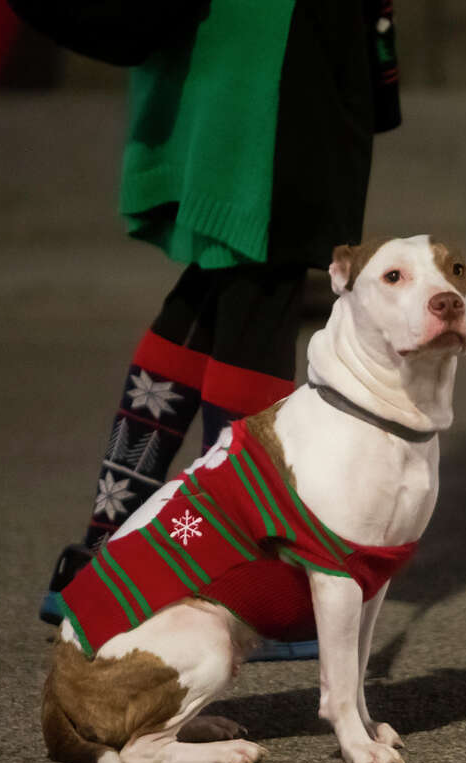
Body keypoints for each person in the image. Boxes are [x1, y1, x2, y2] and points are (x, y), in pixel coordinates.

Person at [37, 0, 402, 659]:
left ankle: (103, 551)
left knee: (220, 282)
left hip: (232, 45)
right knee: (262, 278)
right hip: (277, 49)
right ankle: (238, 574)